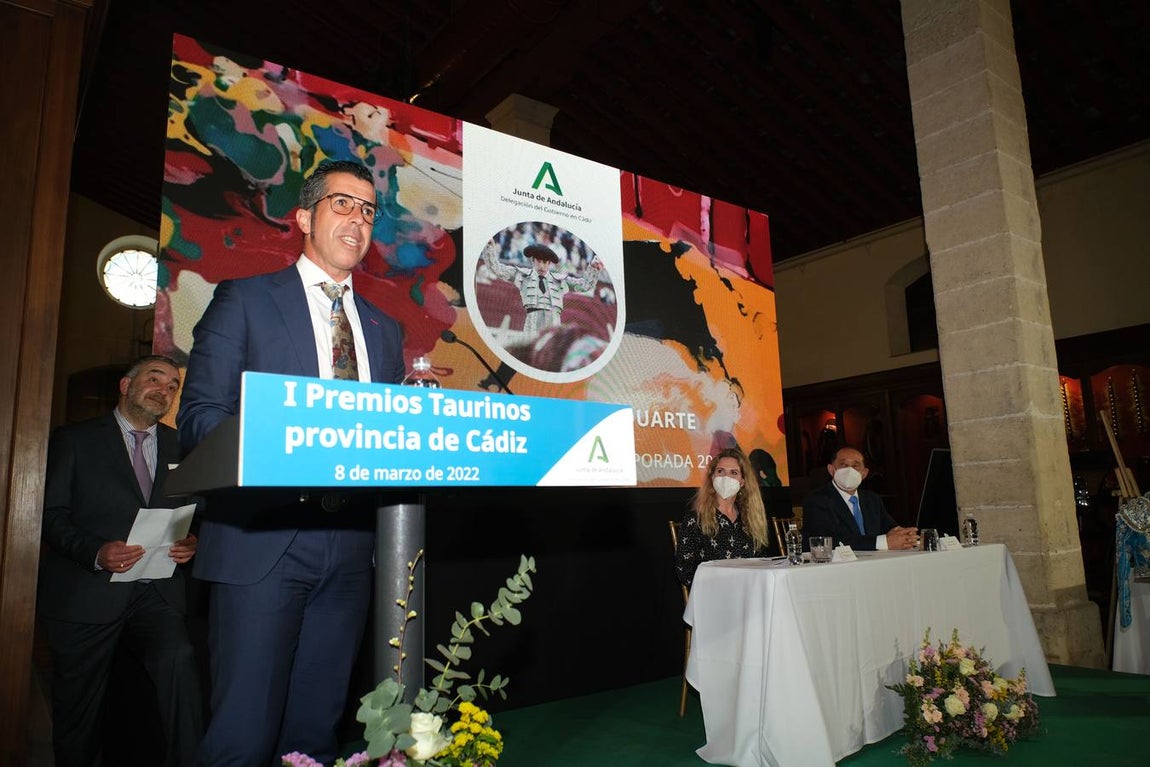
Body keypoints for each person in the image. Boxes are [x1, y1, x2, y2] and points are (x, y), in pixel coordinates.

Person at [177, 159, 405, 765]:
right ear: (303, 216)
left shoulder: (385, 330)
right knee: (242, 738)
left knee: (314, 736)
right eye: (341, 203)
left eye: (367, 209)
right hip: (263, 542)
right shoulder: (244, 300)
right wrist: (282, 440)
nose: (357, 218)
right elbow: (200, 418)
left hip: (352, 552)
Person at [38, 354, 202, 767]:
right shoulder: (75, 440)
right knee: (79, 710)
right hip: (86, 593)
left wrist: (193, 543)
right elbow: (50, 516)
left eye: (171, 388)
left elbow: (198, 512)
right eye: (154, 379)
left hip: (156, 592)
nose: (163, 391)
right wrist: (96, 552)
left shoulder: (182, 446)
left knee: (180, 664)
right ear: (126, 386)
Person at [674, 448, 770, 588]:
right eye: (720, 471)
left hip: (750, 591)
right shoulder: (695, 520)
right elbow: (684, 570)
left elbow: (763, 562)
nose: (726, 477)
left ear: (742, 482)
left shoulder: (751, 519)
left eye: (734, 473)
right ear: (712, 477)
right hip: (715, 595)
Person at [802, 446, 919, 551]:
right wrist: (882, 543)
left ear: (864, 473)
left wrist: (909, 537)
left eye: (855, 466)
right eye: (843, 465)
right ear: (831, 470)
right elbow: (828, 541)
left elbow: (891, 529)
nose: (850, 470)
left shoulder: (872, 499)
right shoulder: (817, 500)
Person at [482, 239, 604, 336]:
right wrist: (489, 248)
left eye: (545, 262)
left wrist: (593, 267)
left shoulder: (560, 280)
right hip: (532, 322)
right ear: (533, 261)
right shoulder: (522, 275)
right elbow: (497, 269)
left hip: (554, 323)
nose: (542, 266)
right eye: (539, 261)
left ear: (549, 263)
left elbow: (585, 285)